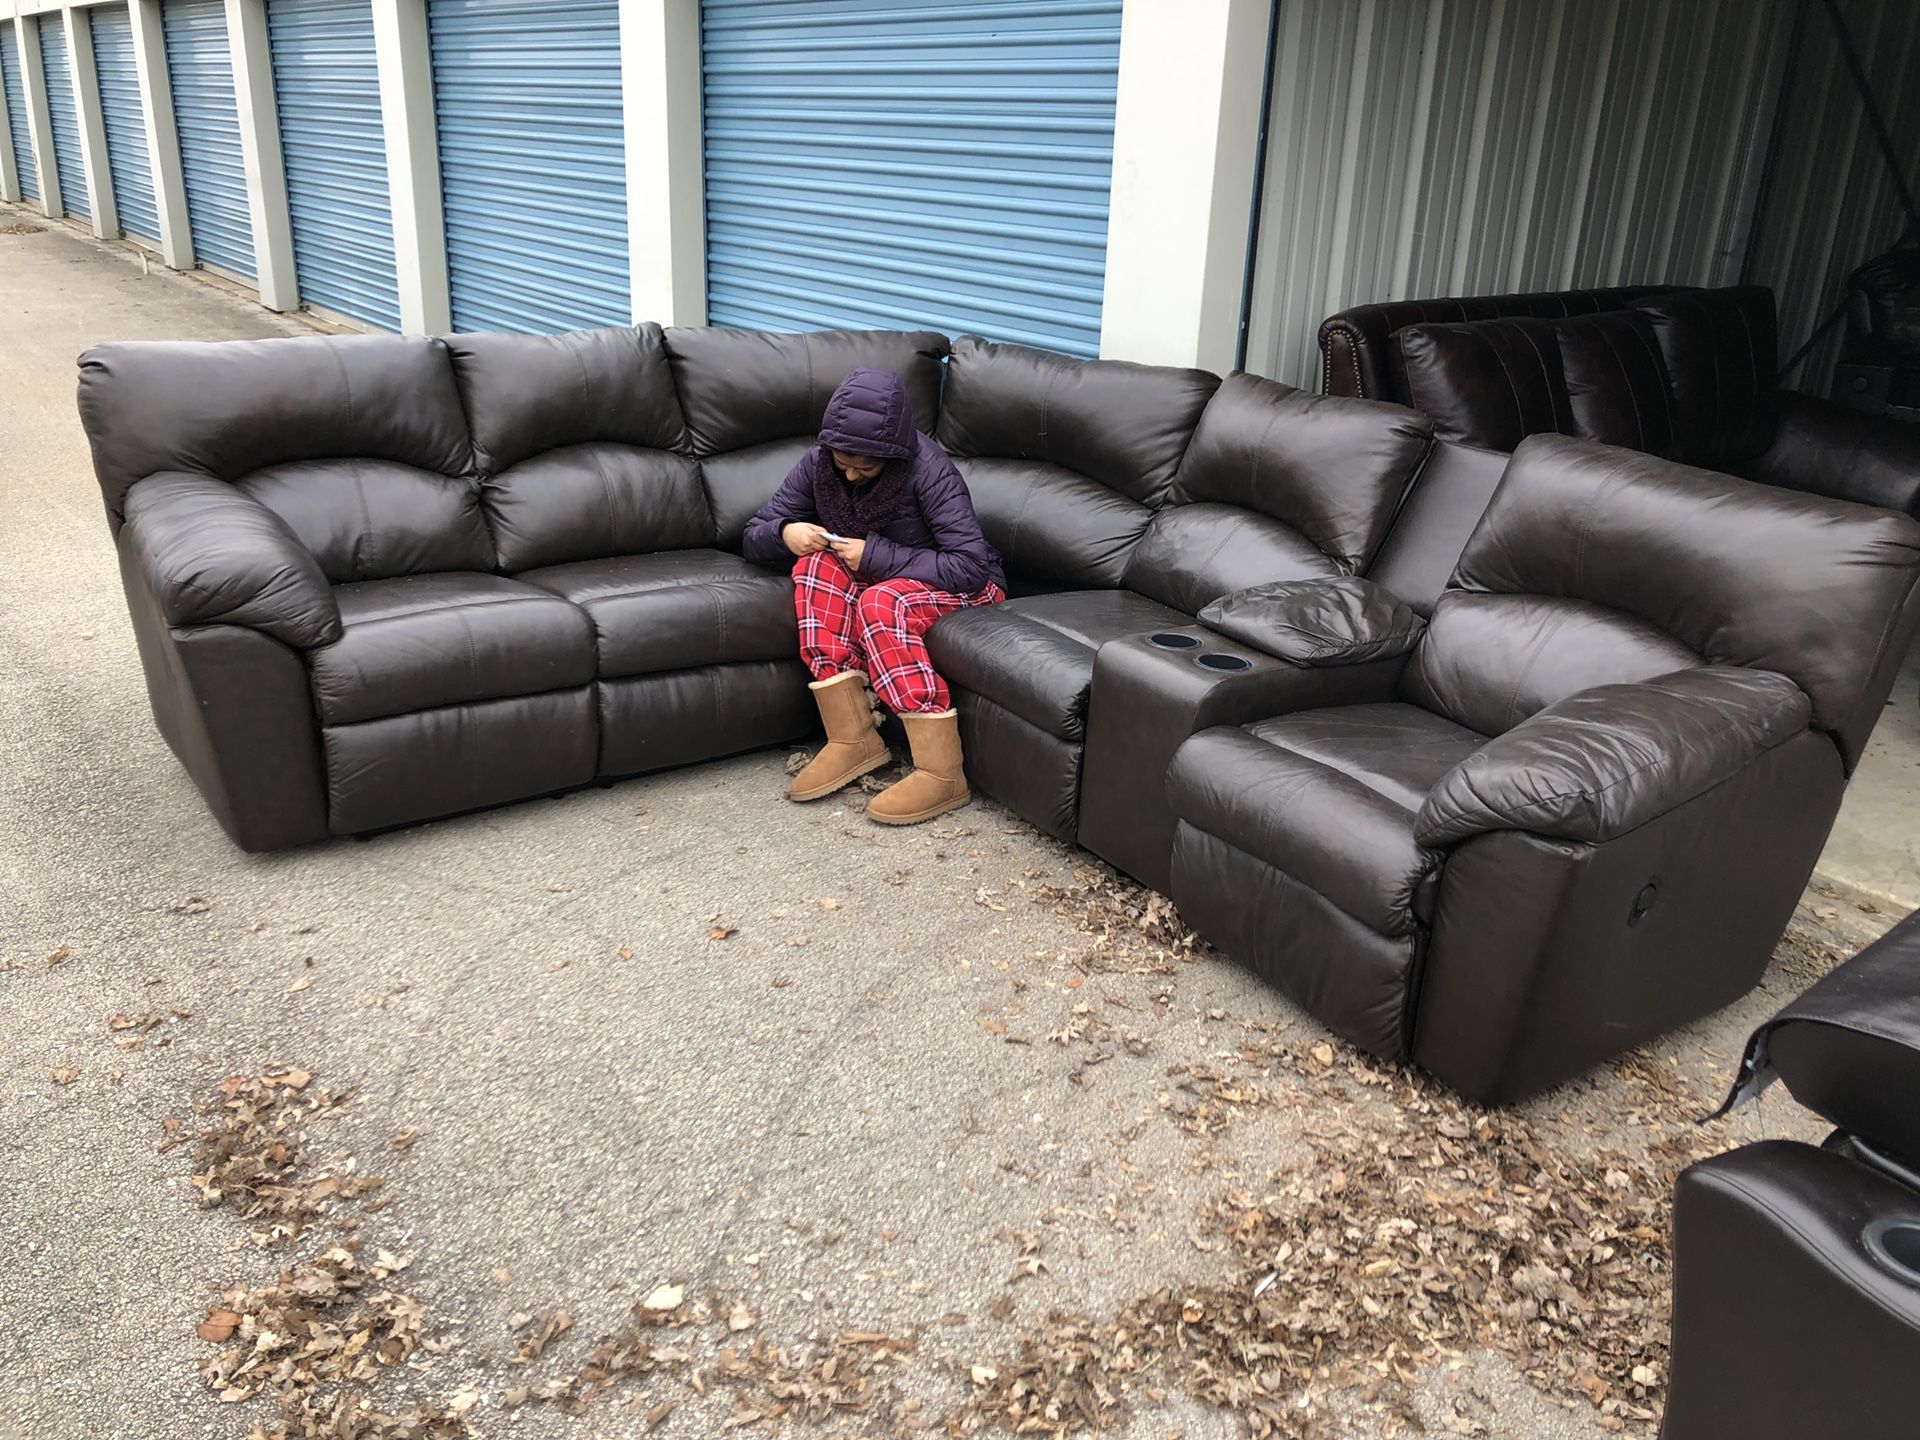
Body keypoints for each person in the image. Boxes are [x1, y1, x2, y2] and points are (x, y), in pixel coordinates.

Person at [742, 367, 1005, 825]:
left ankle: (943, 773)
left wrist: (874, 556)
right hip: (884, 573)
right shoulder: (818, 463)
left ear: (896, 454)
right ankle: (854, 738)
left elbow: (969, 565)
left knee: (881, 602)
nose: (851, 475)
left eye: (866, 468)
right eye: (843, 463)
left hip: (965, 584)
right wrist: (785, 534)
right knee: (816, 566)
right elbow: (753, 534)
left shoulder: (930, 470)